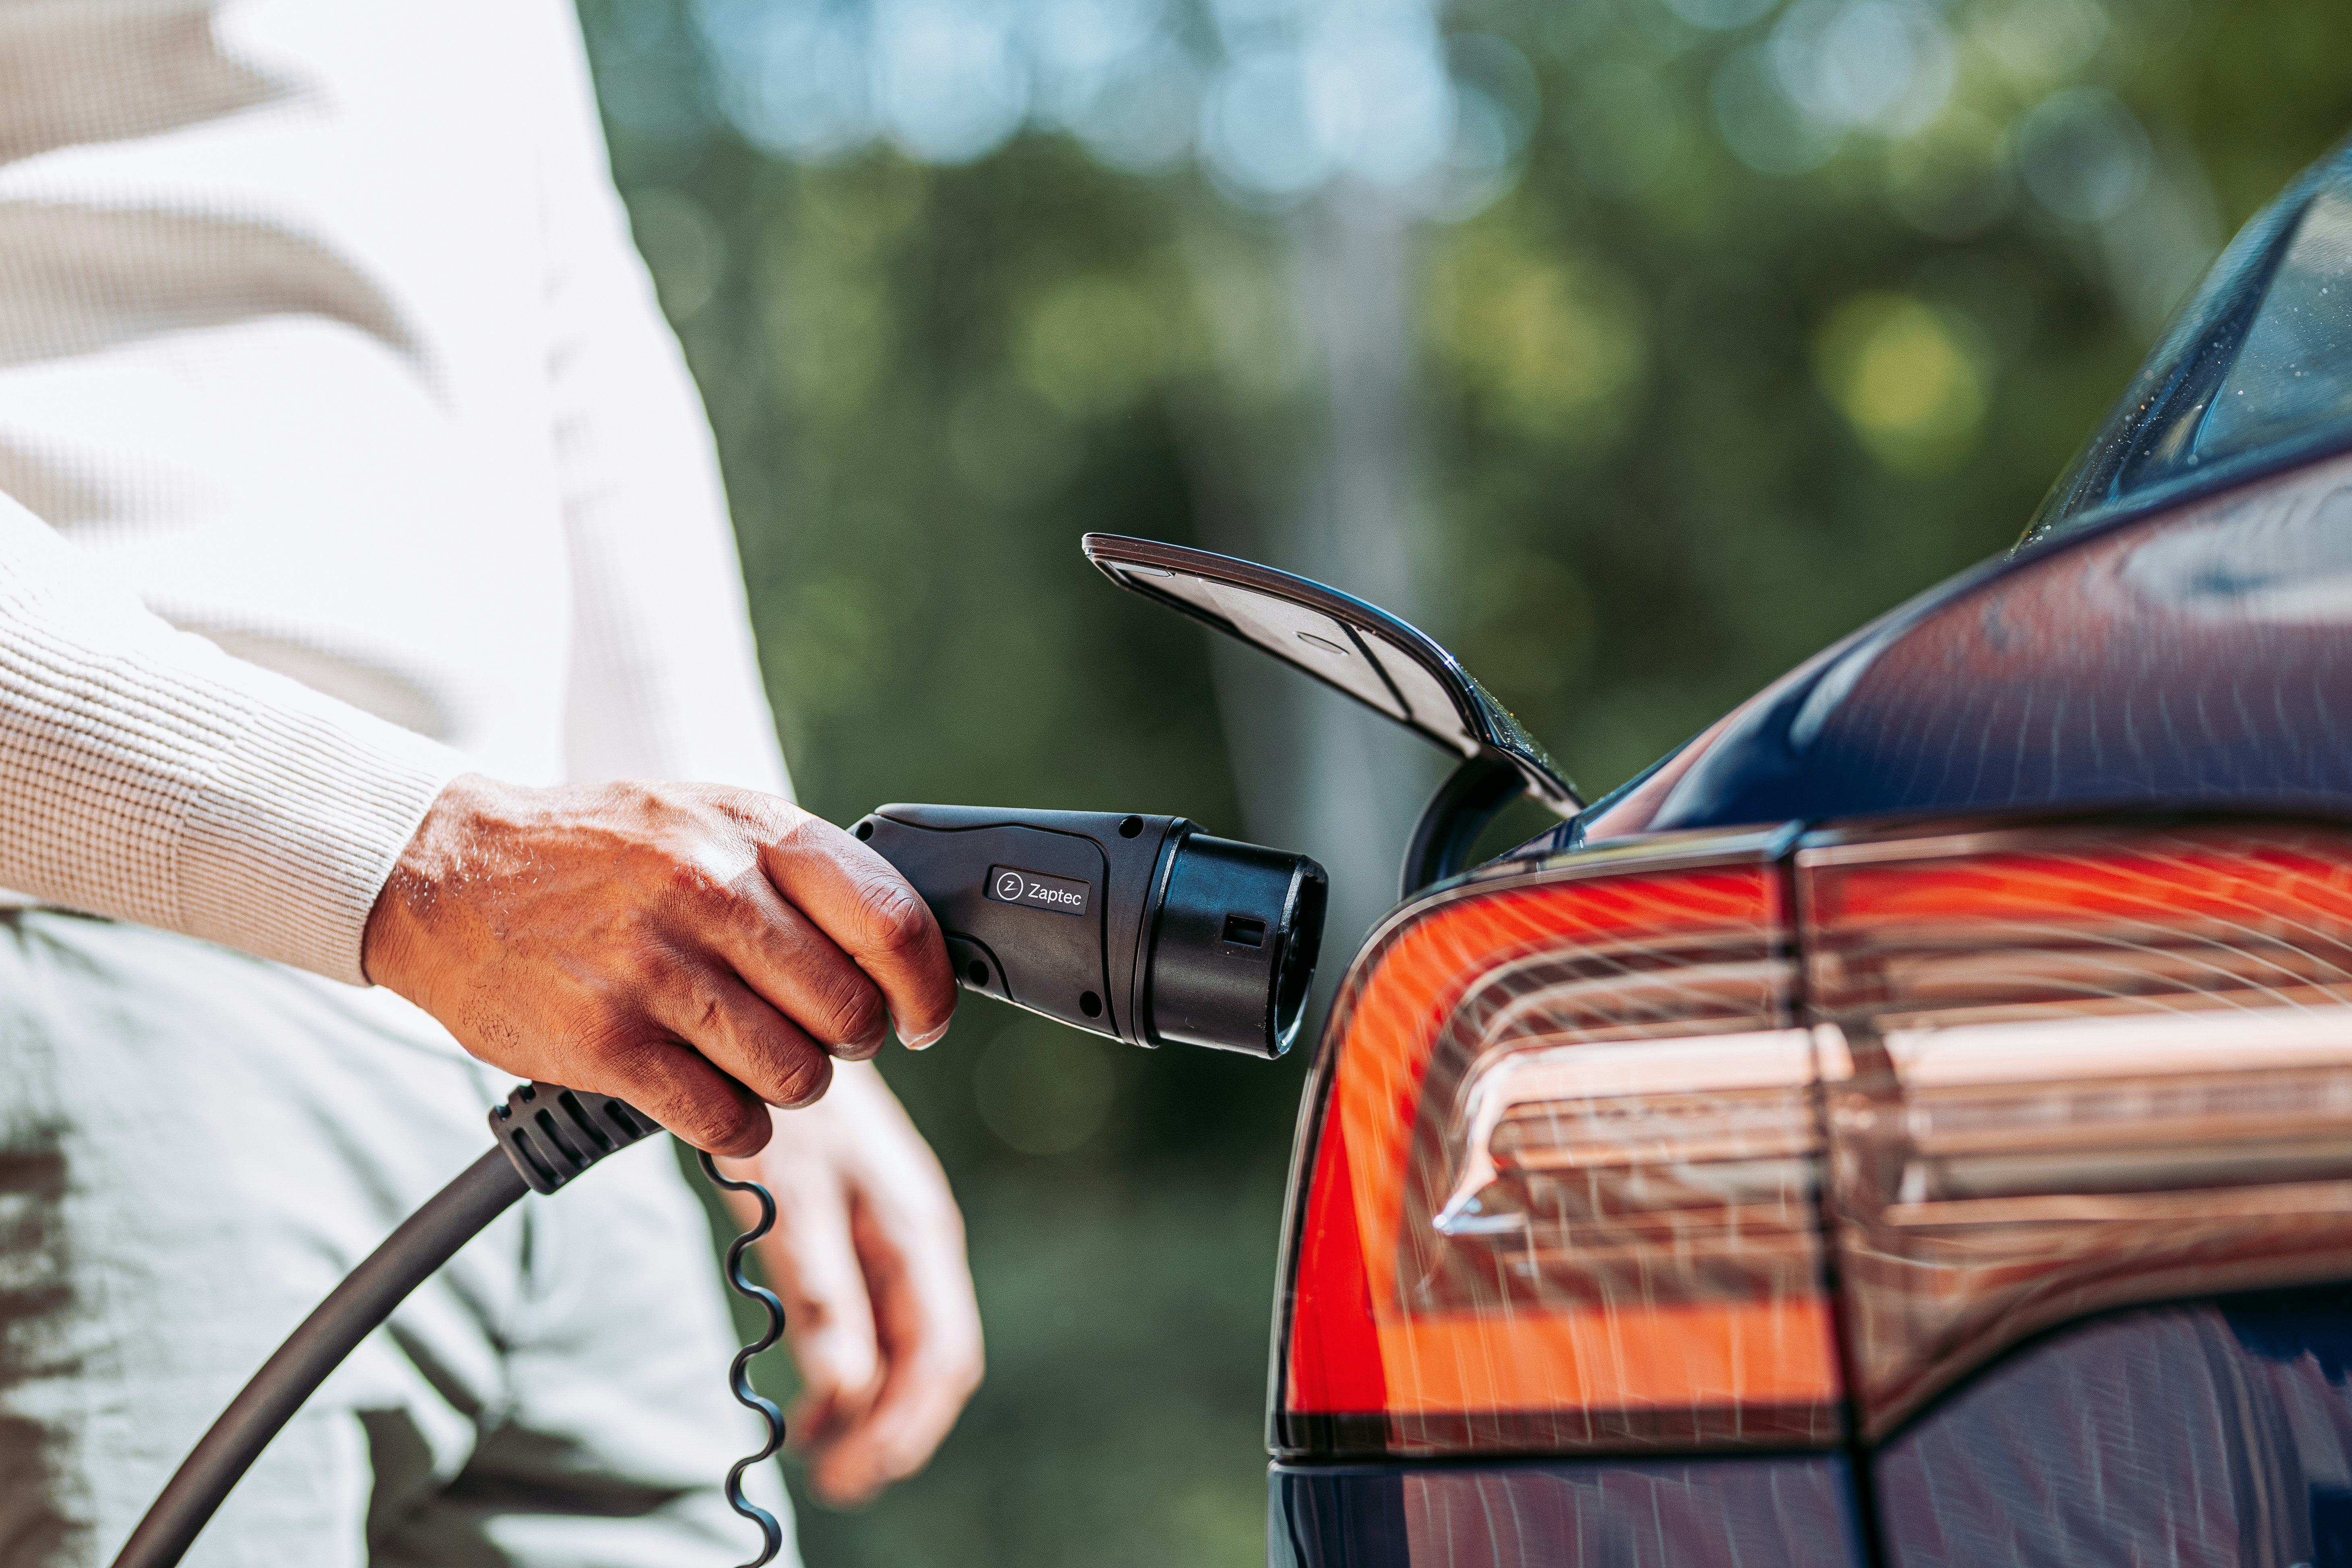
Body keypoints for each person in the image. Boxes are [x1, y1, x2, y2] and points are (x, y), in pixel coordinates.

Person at [0, 2, 982, 1564]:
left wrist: (769, 990)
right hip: (104, 980)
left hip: (540, 1051)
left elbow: (567, 340)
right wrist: (403, 854)